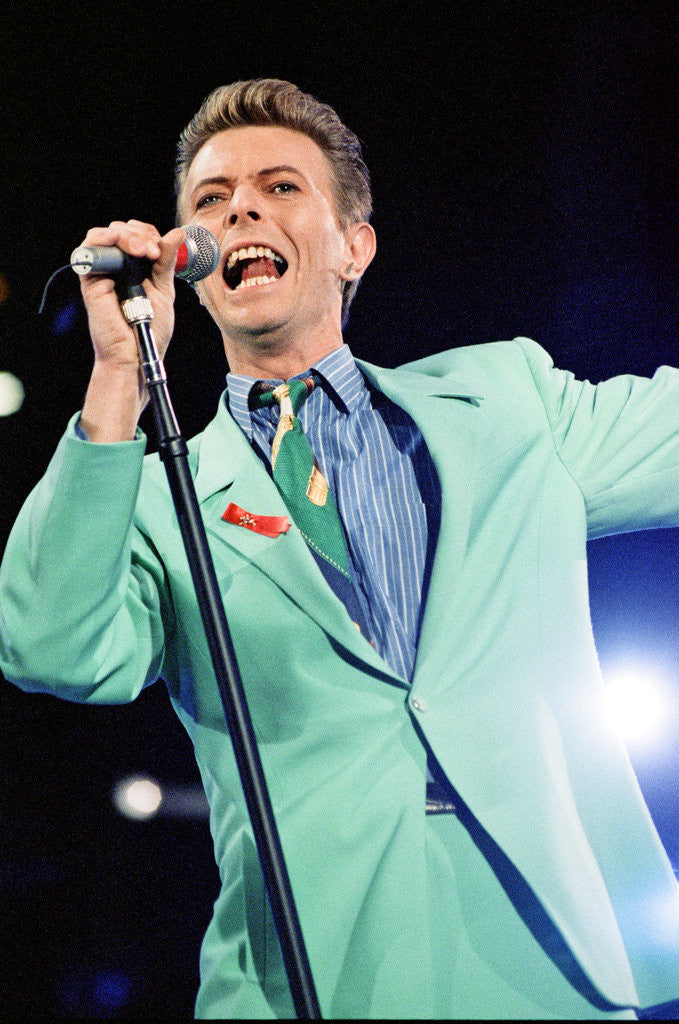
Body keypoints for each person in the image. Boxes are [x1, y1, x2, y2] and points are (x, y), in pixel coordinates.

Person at [1, 77, 679, 1020]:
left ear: (352, 247)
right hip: (311, 975)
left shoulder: (506, 404)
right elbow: (51, 649)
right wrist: (118, 373)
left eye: (280, 188)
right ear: (190, 267)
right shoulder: (157, 498)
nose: (239, 205)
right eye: (211, 199)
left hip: (545, 959)